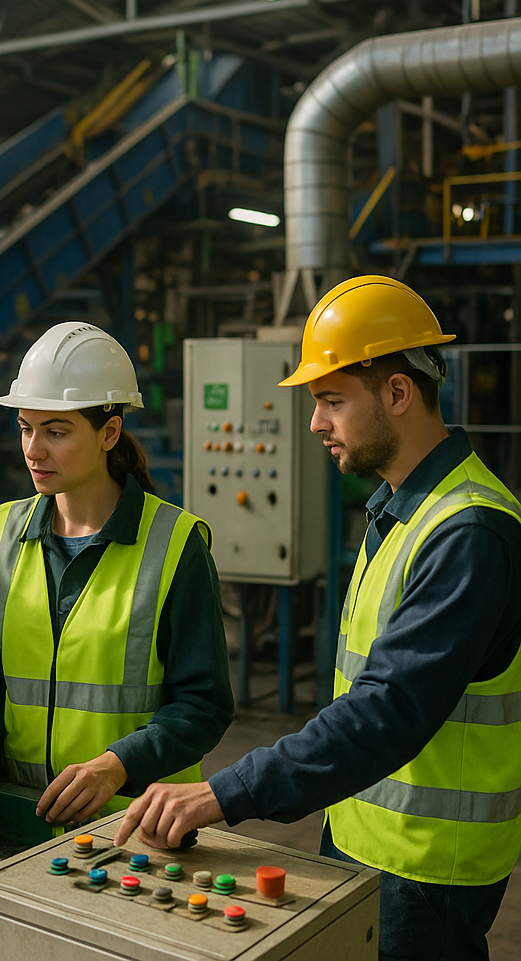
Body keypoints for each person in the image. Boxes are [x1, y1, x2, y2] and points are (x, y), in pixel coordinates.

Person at [115, 275, 521, 961]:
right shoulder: (398, 510)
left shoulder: (468, 530)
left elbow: (388, 709)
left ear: (398, 393)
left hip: (423, 873)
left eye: (332, 401)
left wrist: (223, 793)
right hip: (365, 839)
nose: (314, 424)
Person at [0, 321, 233, 826]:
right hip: (16, 814)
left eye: (56, 432)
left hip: (135, 827)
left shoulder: (174, 545)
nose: (33, 450)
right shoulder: (1, 533)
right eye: (26, 428)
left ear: (109, 432)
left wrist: (118, 767)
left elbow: (203, 705)